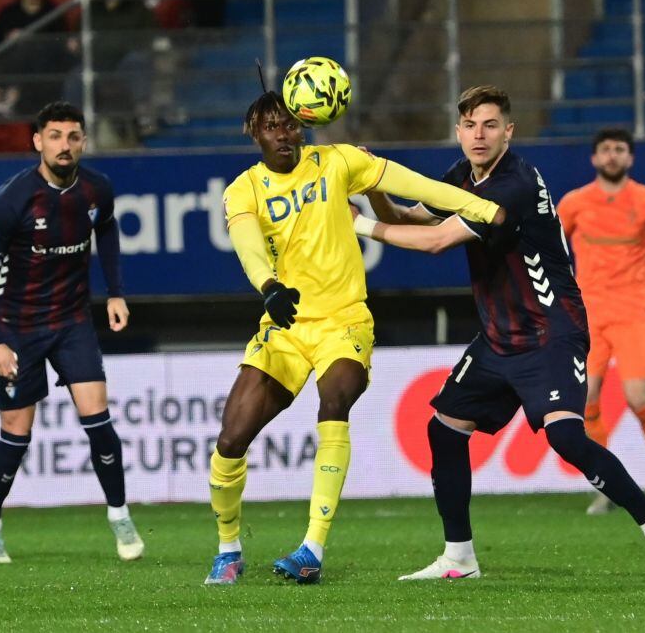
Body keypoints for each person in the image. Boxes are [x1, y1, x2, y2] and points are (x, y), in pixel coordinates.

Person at [356, 85, 645, 580]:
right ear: (458, 131)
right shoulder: (461, 176)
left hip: (550, 331)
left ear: (508, 132)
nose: (479, 135)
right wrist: (372, 189)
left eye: (490, 125)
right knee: (444, 430)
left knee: (565, 436)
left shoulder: (514, 184)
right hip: (499, 337)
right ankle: (459, 557)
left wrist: (358, 226)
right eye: (471, 125)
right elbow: (406, 218)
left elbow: (435, 242)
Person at [205, 90, 505, 586]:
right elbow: (247, 245)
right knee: (230, 440)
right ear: (254, 133)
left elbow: (420, 185)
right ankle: (228, 548)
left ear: (304, 123)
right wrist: (269, 286)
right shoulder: (244, 189)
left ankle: (311, 548)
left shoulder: (339, 161)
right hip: (286, 325)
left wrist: (483, 206)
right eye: (271, 127)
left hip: (345, 321)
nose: (283, 134)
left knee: (334, 402)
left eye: (289, 124)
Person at [0, 101, 143, 564]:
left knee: (98, 419)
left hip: (71, 321)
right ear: (37, 142)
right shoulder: (12, 200)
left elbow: (107, 229)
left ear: (83, 141)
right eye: (55, 136)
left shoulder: (97, 189)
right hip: (18, 328)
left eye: (73, 136)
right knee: (16, 435)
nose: (65, 145)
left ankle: (120, 516)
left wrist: (116, 293)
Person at [557, 128, 645, 516]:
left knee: (637, 398)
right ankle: (606, 484)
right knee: (585, 400)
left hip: (634, 312)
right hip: (588, 315)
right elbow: (550, 250)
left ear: (630, 158)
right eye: (605, 150)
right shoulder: (574, 203)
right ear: (594, 158)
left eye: (619, 149)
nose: (612, 156)